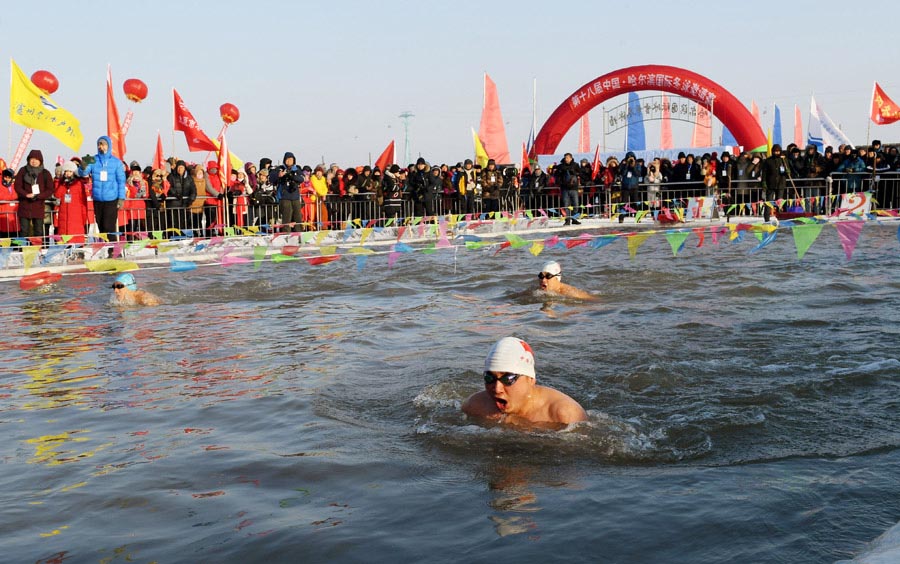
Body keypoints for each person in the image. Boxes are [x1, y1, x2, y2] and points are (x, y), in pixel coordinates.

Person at [462, 336, 588, 426]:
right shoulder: (474, 406)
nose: (497, 388)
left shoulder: (564, 414)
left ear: (530, 379)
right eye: (489, 378)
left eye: (508, 378)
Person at [80, 136, 125, 241]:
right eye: (99, 144)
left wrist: (121, 198)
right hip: (98, 199)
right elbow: (84, 173)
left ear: (108, 146)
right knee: (101, 226)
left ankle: (114, 250)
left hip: (111, 199)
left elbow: (121, 181)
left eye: (103, 144)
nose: (101, 146)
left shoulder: (116, 162)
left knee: (108, 226)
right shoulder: (93, 160)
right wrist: (83, 166)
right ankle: (106, 248)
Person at [14, 149, 55, 241]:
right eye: (32, 159)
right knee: (24, 231)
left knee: (38, 231)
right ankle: (22, 249)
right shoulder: (23, 171)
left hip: (39, 206)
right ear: (28, 160)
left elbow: (50, 189)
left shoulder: (45, 173)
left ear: (40, 161)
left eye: (36, 159)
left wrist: (39, 196)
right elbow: (17, 186)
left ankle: (37, 250)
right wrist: (26, 194)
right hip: (25, 205)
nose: (34, 161)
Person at [53, 160, 90, 243]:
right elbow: (57, 195)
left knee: (75, 236)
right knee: (64, 236)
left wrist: (84, 214)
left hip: (76, 214)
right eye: (66, 171)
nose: (68, 173)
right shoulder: (62, 184)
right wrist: (62, 184)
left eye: (70, 171)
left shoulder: (79, 184)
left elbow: (83, 200)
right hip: (63, 214)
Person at [554, 153, 581, 225]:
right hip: (564, 188)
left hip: (574, 188)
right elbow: (555, 175)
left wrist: (574, 172)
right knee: (566, 205)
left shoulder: (575, 165)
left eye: (568, 158)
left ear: (571, 158)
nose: (567, 159)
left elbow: (580, 173)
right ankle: (567, 220)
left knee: (576, 205)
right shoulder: (561, 166)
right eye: (566, 158)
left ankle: (574, 218)